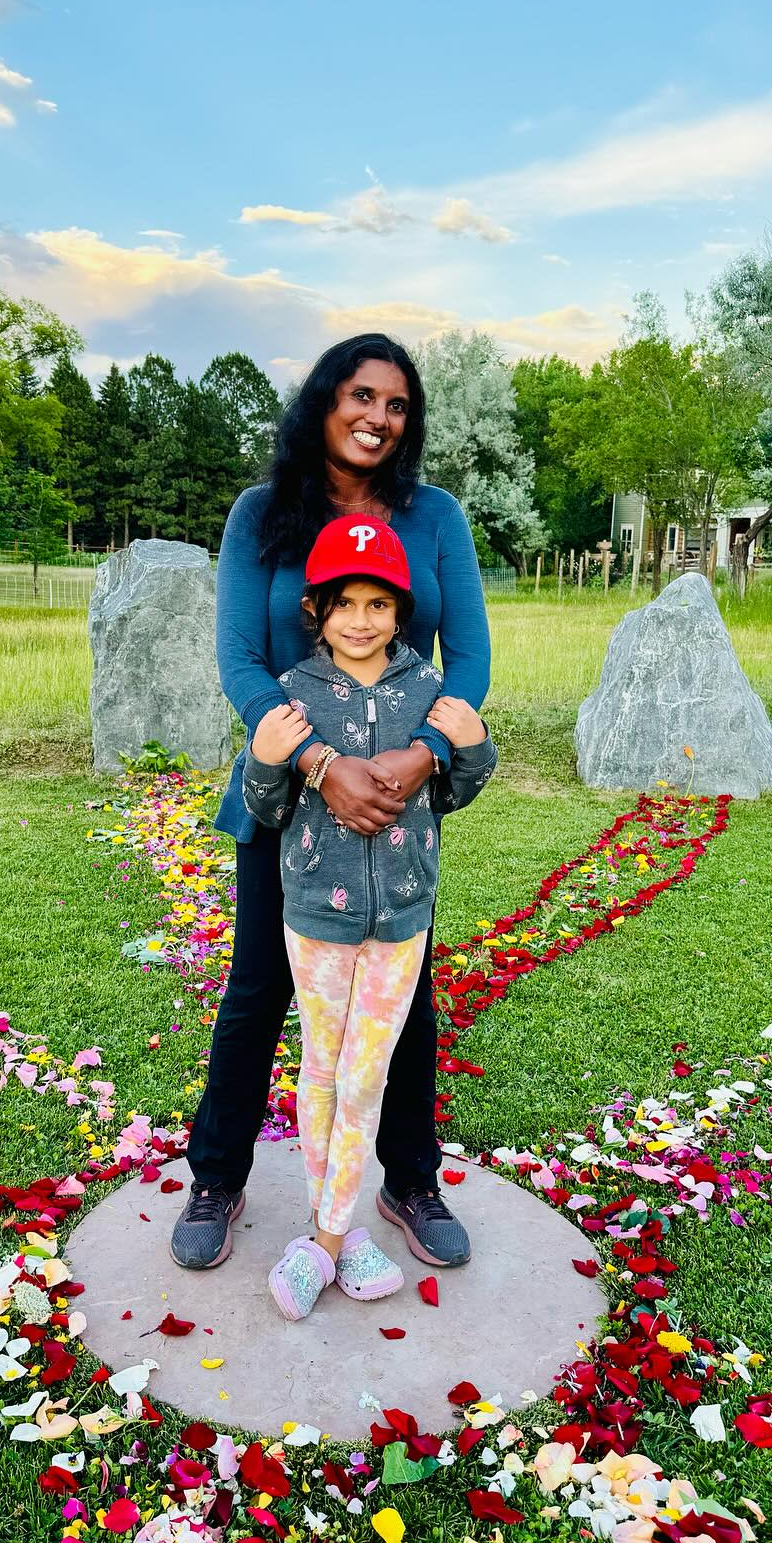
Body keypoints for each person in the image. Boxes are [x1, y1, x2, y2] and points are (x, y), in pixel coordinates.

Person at [171, 332, 492, 1272]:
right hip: (288, 803)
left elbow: (465, 659)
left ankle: (411, 1178)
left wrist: (424, 756)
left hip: (398, 801)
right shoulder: (262, 514)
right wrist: (317, 762)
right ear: (323, 400)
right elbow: (239, 657)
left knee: (407, 998)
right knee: (259, 987)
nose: (377, 418)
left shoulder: (433, 517)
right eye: (361, 396)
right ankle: (218, 1179)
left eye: (397, 405)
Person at [243, 517, 496, 1319]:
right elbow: (267, 806)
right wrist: (265, 758)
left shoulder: (430, 695)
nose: (361, 619)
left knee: (367, 1072)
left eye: (378, 603)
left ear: (401, 612)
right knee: (324, 1064)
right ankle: (333, 1237)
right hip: (316, 913)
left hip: (403, 916)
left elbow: (453, 790)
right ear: (316, 610)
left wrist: (474, 744)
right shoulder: (291, 696)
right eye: (344, 602)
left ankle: (329, 1234)